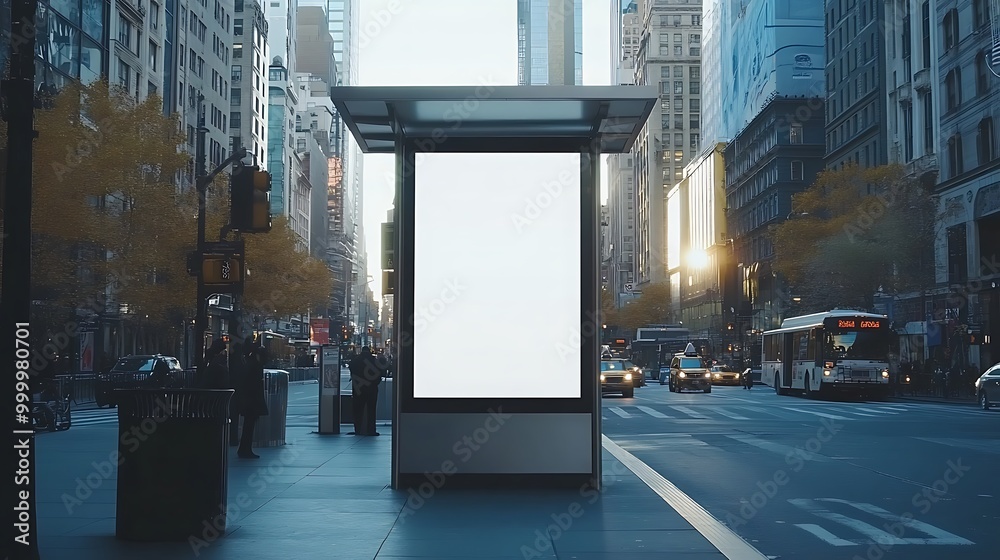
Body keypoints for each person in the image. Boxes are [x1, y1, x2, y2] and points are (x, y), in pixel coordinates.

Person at [235, 336, 269, 458]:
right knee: (249, 425)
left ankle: (245, 448)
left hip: (249, 399)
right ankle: (245, 449)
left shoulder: (248, 361)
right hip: (252, 399)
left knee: (248, 425)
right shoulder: (253, 364)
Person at [349, 347, 384, 436]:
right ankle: (371, 430)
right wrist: (375, 383)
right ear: (369, 351)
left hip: (358, 388)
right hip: (371, 388)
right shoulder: (374, 360)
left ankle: (358, 429)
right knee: (371, 410)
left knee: (357, 410)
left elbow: (352, 371)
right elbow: (380, 373)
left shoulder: (355, 360)